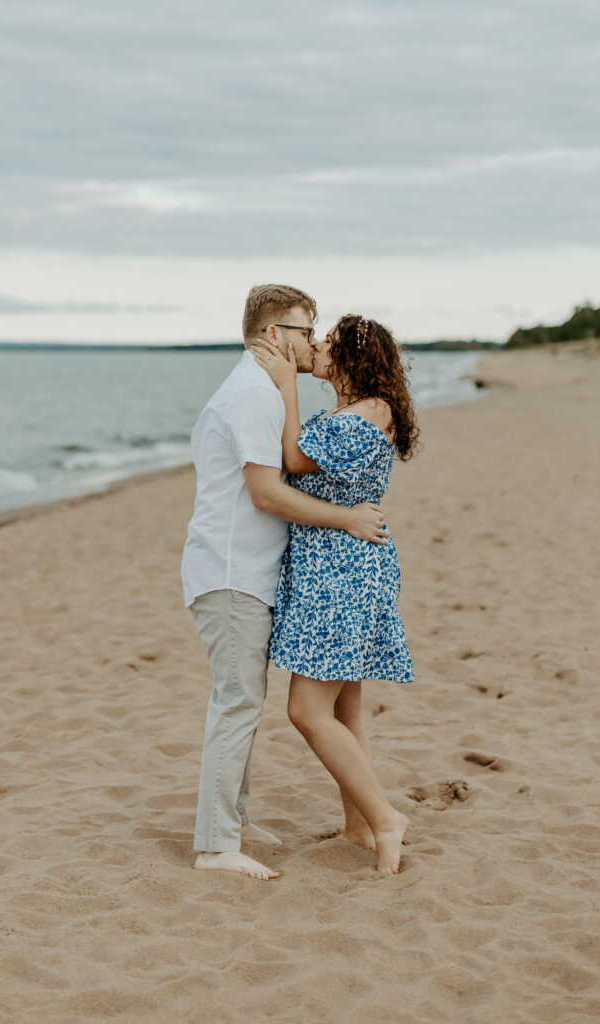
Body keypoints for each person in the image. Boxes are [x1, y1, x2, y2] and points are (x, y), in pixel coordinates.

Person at [181, 286, 388, 882]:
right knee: (239, 702)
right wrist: (350, 517)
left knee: (243, 701)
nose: (313, 340)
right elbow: (268, 492)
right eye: (306, 329)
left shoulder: (264, 390)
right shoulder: (253, 395)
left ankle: (229, 825)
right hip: (230, 572)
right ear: (275, 335)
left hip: (245, 572)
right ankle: (217, 845)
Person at [253, 314, 419, 874]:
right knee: (346, 706)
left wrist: (285, 385)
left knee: (305, 709)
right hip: (340, 566)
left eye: (326, 344)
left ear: (350, 358)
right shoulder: (358, 411)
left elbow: (295, 460)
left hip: (344, 572)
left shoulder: (368, 411)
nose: (316, 349)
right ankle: (357, 825)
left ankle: (384, 817)